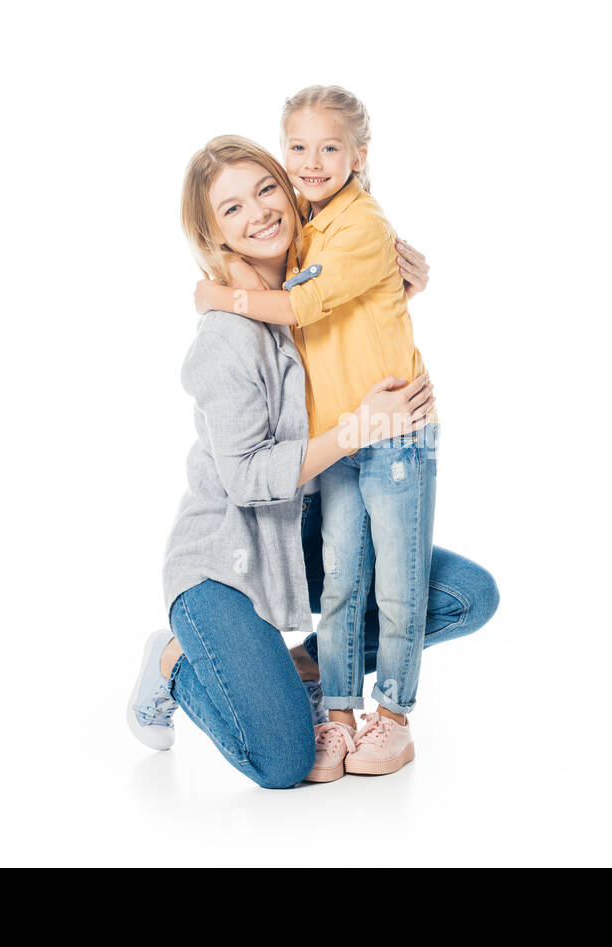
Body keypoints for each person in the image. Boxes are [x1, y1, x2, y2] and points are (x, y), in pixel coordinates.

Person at [128, 134, 498, 790]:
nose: (260, 213)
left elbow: (337, 324)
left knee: (466, 595)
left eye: (267, 189)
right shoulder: (226, 339)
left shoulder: (310, 286)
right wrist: (359, 429)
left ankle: (301, 664)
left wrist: (398, 282)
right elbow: (246, 478)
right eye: (233, 209)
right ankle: (177, 661)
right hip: (226, 565)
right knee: (284, 760)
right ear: (216, 236)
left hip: (307, 544)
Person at [193, 86, 439, 781]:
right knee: (343, 585)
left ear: (360, 156)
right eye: (297, 147)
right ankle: (334, 713)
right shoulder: (305, 226)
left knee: (397, 586)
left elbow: (304, 304)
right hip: (331, 451)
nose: (311, 162)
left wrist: (220, 293)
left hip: (391, 436)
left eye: (329, 148)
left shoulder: (355, 225)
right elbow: (303, 288)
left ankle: (390, 718)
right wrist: (222, 295)